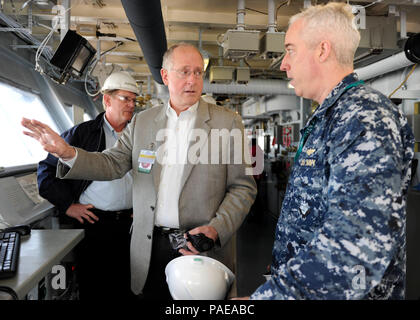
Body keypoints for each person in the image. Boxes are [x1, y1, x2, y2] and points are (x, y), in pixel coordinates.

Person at [22, 43, 257, 300]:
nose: (192, 80)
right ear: (165, 76)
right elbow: (112, 163)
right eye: (184, 72)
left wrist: (216, 229)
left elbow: (243, 187)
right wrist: (67, 153)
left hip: (201, 247)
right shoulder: (143, 122)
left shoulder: (227, 122)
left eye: (198, 72)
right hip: (150, 246)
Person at [238, 3, 414, 300]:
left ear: (322, 50)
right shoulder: (329, 116)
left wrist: (271, 297)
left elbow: (355, 248)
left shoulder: (363, 118)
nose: (283, 63)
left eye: (291, 49)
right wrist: (286, 265)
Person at [36, 71, 139, 300]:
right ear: (107, 100)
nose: (132, 105)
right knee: (95, 286)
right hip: (95, 223)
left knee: (130, 287)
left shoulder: (141, 136)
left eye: (134, 100)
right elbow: (45, 173)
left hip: (132, 225)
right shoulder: (82, 134)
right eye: (126, 98)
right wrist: (69, 205)